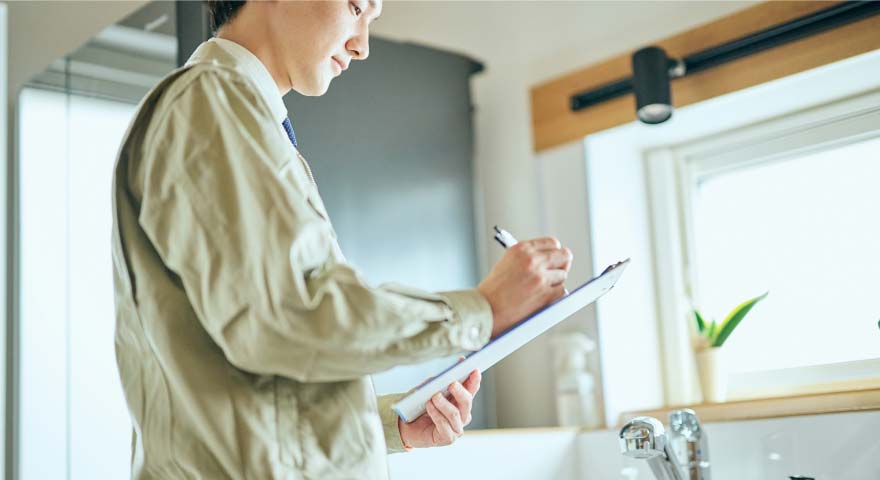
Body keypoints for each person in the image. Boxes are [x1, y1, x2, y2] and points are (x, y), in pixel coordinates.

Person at [110, 0, 573, 478]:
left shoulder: (237, 112)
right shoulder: (212, 100)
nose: (362, 45)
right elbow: (288, 316)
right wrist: (482, 309)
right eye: (356, 7)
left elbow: (258, 381)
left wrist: (394, 425)